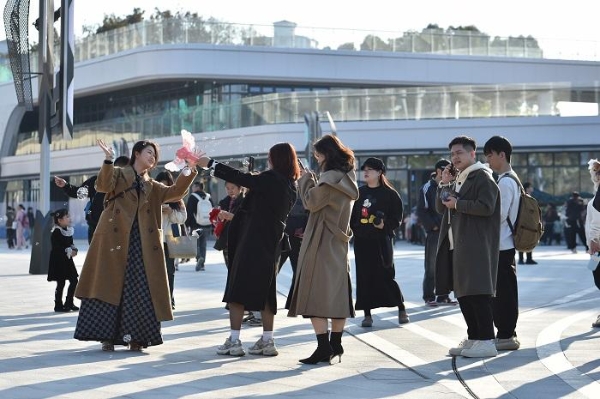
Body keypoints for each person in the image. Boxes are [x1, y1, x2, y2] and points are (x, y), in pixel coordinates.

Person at [74, 139, 197, 352]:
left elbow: (175, 192)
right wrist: (108, 159)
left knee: (140, 289)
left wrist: (189, 169)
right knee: (109, 284)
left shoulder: (153, 185)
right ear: (137, 153)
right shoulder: (119, 173)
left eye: (155, 155)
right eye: (149, 152)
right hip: (114, 241)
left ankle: (138, 337)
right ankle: (107, 336)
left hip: (142, 245)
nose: (153, 157)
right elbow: (102, 186)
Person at [196, 143, 299, 357]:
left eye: (270, 157)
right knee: (267, 292)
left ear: (276, 159)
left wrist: (211, 165)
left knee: (237, 290)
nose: (268, 161)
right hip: (272, 244)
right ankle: (268, 340)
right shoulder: (291, 185)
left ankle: (234, 341)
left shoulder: (271, 179)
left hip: (251, 242)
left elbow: (243, 179)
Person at [288, 134, 359, 365]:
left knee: (314, 295)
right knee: (338, 294)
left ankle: (322, 347)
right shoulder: (347, 178)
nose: (316, 158)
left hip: (321, 241)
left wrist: (306, 179)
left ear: (326, 154)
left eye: (318, 154)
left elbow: (311, 202)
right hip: (338, 243)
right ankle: (336, 343)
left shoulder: (328, 179)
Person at [436, 135, 500, 358]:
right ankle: (474, 338)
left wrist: (459, 204)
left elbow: (487, 207)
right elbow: (440, 207)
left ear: (473, 154)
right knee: (463, 294)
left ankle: (486, 340)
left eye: (459, 153)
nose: (455, 158)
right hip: (458, 245)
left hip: (476, 244)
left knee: (478, 293)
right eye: (452, 154)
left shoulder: (482, 177)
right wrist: (444, 182)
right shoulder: (459, 178)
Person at [350, 157, 410, 327]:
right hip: (362, 241)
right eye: (365, 169)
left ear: (380, 172)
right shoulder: (358, 193)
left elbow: (397, 218)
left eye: (370, 169)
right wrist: (357, 231)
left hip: (382, 240)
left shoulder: (390, 194)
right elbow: (352, 217)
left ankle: (401, 307)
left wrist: (385, 225)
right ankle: (367, 314)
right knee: (364, 276)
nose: (366, 172)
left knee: (386, 274)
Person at [484, 135, 522, 351]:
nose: (489, 161)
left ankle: (507, 334)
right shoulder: (510, 179)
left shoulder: (506, 181)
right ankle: (506, 332)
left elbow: (498, 214)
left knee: (503, 293)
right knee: (504, 291)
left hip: (502, 245)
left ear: (502, 154)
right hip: (504, 245)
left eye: (490, 155)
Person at [54, 156, 130, 244]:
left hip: (118, 230)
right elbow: (79, 192)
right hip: (96, 228)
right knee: (95, 257)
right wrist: (65, 185)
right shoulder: (97, 181)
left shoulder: (130, 187)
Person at [417, 159, 457, 306]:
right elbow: (421, 210)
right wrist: (433, 226)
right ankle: (429, 296)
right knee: (431, 265)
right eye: (447, 171)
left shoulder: (450, 185)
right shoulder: (427, 187)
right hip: (435, 233)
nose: (449, 174)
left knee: (447, 263)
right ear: (439, 171)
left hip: (450, 231)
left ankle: (443, 295)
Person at [156, 170, 187, 311]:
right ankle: (157, 299)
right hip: (154, 240)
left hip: (170, 240)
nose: (164, 189)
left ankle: (169, 298)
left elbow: (182, 218)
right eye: (161, 186)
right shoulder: (152, 197)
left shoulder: (176, 198)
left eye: (166, 186)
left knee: (169, 271)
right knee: (155, 271)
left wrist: (170, 212)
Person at [279, 196, 309, 310]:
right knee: (272, 271)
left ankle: (292, 302)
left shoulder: (307, 187)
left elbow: (311, 212)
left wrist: (306, 229)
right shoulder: (284, 185)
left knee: (298, 272)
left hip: (298, 237)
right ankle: (264, 301)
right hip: (282, 235)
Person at [47, 209, 79, 312]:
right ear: (60, 220)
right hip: (59, 261)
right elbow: (56, 247)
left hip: (67, 260)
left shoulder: (68, 230)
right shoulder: (56, 231)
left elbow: (71, 243)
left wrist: (74, 250)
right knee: (61, 283)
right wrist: (67, 250)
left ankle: (69, 302)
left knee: (74, 280)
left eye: (69, 216)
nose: (69, 218)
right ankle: (58, 304)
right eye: (67, 217)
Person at [585, 159, 600, 328]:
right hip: (597, 243)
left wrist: (594, 240)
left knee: (599, 278)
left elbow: (597, 218)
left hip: (598, 244)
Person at [185, 181, 214, 271]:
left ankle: (199, 258)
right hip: (207, 225)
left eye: (193, 187)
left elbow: (189, 212)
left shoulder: (192, 197)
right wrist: (212, 225)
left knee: (195, 244)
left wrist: (187, 224)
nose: (192, 189)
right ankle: (202, 264)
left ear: (197, 187)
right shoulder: (209, 197)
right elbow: (213, 212)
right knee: (203, 244)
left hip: (195, 225)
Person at [517, 182, 537, 264]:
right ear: (527, 188)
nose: (532, 189)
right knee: (521, 240)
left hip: (530, 222)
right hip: (522, 222)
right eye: (531, 187)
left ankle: (529, 258)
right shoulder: (522, 197)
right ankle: (521, 259)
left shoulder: (530, 197)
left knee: (530, 240)